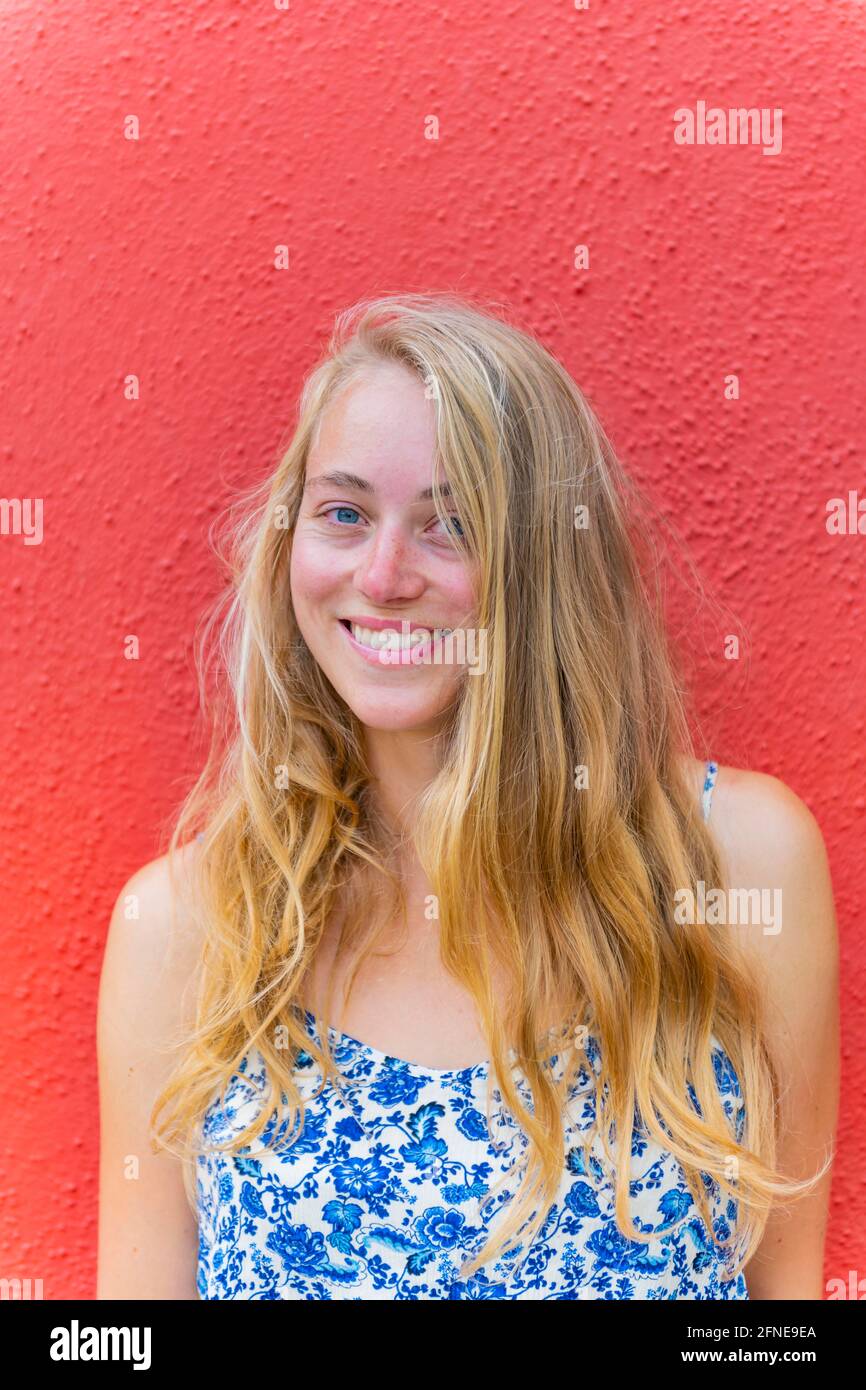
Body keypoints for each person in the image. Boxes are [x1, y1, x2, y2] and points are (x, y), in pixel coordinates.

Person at [97, 293, 839, 1300]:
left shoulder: (735, 862)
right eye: (343, 513)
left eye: (449, 525)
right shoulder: (190, 928)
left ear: (542, 564)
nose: (383, 573)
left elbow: (781, 1311)